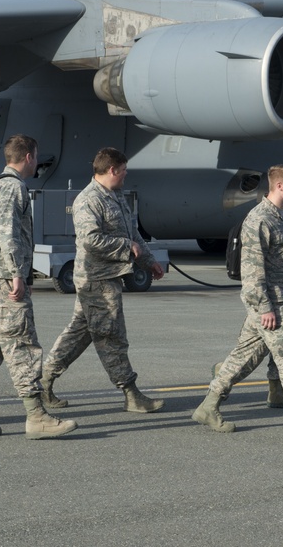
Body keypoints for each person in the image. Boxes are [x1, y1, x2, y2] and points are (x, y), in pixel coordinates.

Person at [191, 164, 283, 438]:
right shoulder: (259, 220)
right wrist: (264, 308)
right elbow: (252, 271)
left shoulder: (282, 215)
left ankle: (208, 407)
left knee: (244, 357)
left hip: (280, 299)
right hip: (271, 303)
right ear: (279, 186)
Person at [0, 134, 77, 440]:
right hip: (1, 280)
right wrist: (17, 276)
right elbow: (8, 233)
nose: (37, 162)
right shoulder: (12, 187)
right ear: (27, 157)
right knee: (22, 344)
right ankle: (36, 417)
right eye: (35, 156)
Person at [40, 147, 166, 413]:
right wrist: (125, 246)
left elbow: (133, 233)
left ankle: (43, 381)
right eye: (123, 170)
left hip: (110, 276)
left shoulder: (116, 196)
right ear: (112, 170)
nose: (125, 175)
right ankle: (131, 394)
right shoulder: (88, 200)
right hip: (96, 279)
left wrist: (148, 260)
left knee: (78, 334)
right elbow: (90, 239)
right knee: (111, 336)